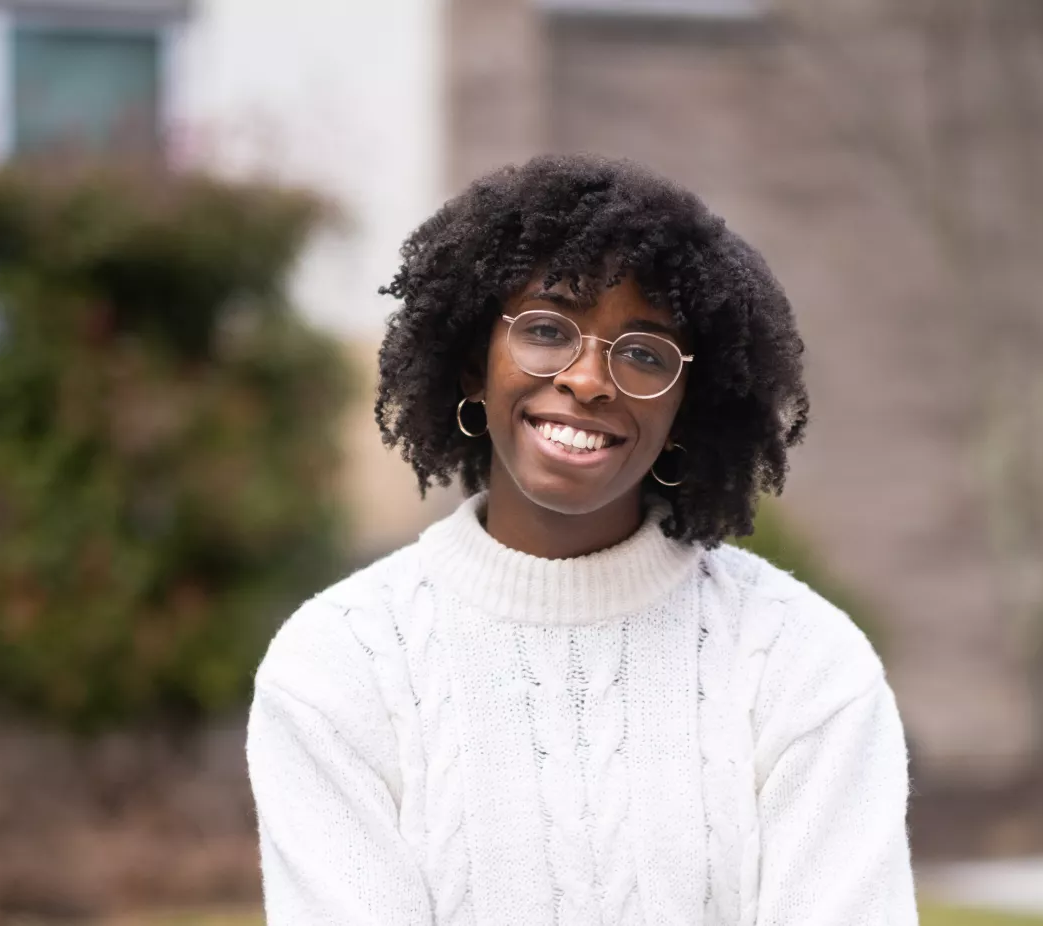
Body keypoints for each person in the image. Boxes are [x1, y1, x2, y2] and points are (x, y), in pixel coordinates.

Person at [246, 154, 917, 925]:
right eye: (544, 328)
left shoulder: (802, 664)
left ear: (686, 409)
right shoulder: (341, 664)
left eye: (642, 352)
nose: (590, 379)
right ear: (474, 365)